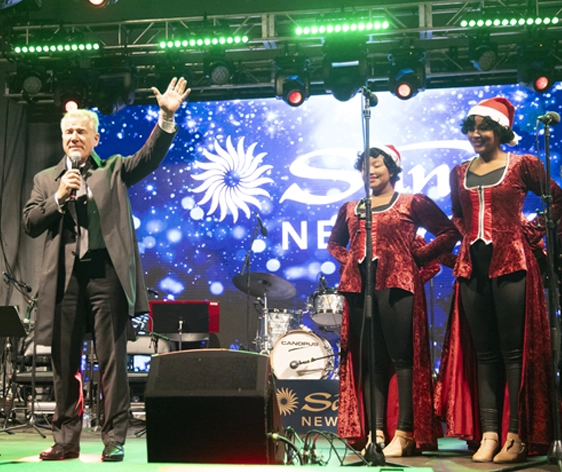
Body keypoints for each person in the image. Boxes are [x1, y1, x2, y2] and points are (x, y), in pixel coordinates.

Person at [22, 77, 190, 462]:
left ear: (95, 138)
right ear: (62, 138)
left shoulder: (113, 170)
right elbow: (31, 223)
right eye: (68, 132)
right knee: (64, 363)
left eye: (82, 131)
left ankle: (114, 438)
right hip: (65, 279)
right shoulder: (46, 180)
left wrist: (165, 118)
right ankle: (66, 441)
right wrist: (60, 196)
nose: (74, 137)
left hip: (105, 274)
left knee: (111, 359)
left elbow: (148, 156)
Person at [435, 97, 562, 463]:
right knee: (485, 353)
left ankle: (516, 433)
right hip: (473, 268)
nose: (476, 134)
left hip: (512, 265)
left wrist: (530, 232)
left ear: (500, 130)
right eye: (472, 128)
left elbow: (557, 198)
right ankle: (489, 433)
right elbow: (458, 216)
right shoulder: (459, 171)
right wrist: (469, 239)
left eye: (484, 127)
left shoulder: (524, 164)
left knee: (513, 352)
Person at [327, 145, 460, 457]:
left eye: (377, 165)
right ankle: (375, 431)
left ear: (392, 169)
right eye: (365, 166)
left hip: (397, 285)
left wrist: (414, 257)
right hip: (360, 288)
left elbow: (448, 233)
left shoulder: (412, 202)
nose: (370, 171)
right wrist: (351, 262)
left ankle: (404, 432)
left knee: (402, 359)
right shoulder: (351, 208)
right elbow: (335, 243)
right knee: (371, 361)